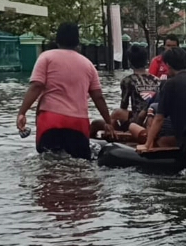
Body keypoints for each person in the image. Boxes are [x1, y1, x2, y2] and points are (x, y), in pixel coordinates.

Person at [16, 22, 115, 159]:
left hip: (50, 120)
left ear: (57, 40)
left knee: (49, 165)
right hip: (78, 123)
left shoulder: (46, 57)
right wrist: (108, 122)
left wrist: (22, 113)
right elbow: (98, 97)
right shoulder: (88, 65)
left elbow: (36, 86)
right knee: (79, 167)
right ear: (77, 42)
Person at [91, 45, 160, 136]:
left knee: (115, 114)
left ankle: (111, 132)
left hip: (138, 120)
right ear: (146, 61)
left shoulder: (128, 81)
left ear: (129, 62)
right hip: (153, 117)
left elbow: (124, 105)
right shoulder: (157, 80)